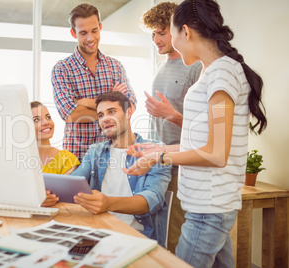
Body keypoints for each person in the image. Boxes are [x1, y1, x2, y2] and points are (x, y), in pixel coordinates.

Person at [124, 0, 267, 267]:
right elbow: (201, 143)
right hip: (208, 205)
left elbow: (215, 154)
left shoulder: (221, 74)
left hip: (209, 208)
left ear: (185, 32)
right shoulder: (213, 73)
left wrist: (160, 159)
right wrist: (157, 149)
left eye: (171, 32)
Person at [71, 91, 171, 247]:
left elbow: (151, 200)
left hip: (137, 239)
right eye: (100, 115)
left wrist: (108, 203)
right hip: (98, 235)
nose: (105, 119)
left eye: (111, 112)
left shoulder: (155, 150)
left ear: (129, 112)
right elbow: (74, 182)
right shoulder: (95, 151)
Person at [140, 1, 201, 253]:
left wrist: (172, 115)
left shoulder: (196, 67)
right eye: (152, 33)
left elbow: (205, 129)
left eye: (161, 32)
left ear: (178, 30)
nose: (155, 39)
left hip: (183, 165)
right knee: (160, 233)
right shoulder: (160, 66)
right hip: (160, 163)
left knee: (176, 237)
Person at [52, 3, 137, 162]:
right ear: (73, 33)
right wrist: (112, 108)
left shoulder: (115, 66)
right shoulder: (62, 69)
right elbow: (70, 114)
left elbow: (130, 106)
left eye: (94, 30)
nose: (90, 38)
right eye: (83, 33)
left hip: (113, 155)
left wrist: (85, 103)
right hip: (77, 156)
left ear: (100, 27)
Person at [31, 101, 80, 207]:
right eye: (36, 119)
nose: (46, 122)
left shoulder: (67, 159)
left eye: (48, 117)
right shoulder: (20, 162)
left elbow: (68, 198)